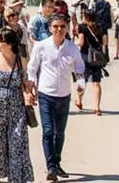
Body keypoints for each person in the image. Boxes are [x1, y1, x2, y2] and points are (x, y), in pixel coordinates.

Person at [28, 14, 84, 181]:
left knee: (59, 132)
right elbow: (32, 68)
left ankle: (57, 163)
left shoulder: (72, 48)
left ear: (67, 28)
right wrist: (31, 85)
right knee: (48, 131)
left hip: (64, 95)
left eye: (62, 26)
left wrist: (81, 82)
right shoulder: (41, 46)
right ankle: (51, 166)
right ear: (50, 28)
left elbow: (79, 67)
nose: (59, 29)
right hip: (46, 94)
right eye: (55, 26)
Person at [0, 28, 34, 183]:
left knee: (17, 141)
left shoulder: (21, 60)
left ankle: (16, 177)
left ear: (10, 44)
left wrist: (28, 93)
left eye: (0, 41)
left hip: (16, 107)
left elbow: (25, 82)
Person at [75, 8, 108, 115]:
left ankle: (79, 100)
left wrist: (74, 45)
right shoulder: (101, 26)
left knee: (82, 81)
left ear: (86, 17)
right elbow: (105, 42)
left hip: (85, 56)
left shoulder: (82, 27)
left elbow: (81, 42)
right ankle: (97, 107)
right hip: (96, 57)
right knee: (96, 83)